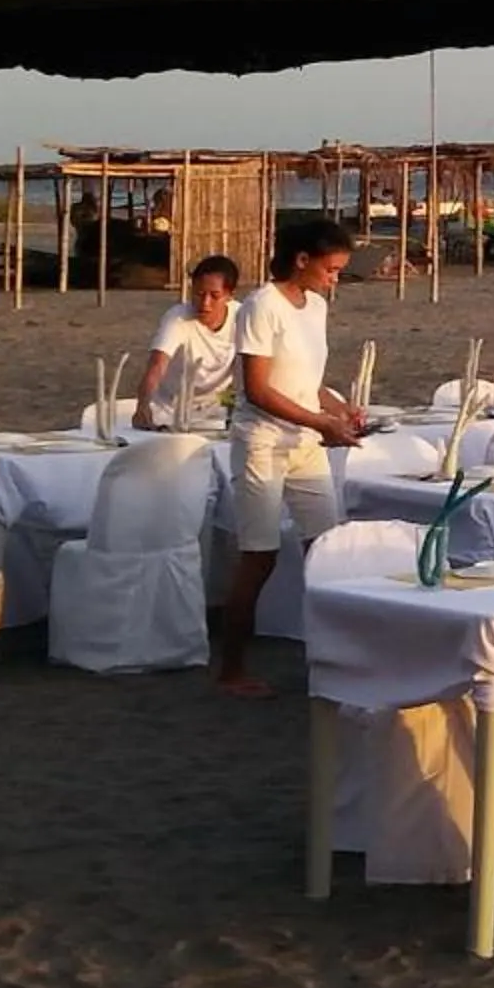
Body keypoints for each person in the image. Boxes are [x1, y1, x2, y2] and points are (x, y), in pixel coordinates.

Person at [215, 220, 364, 698]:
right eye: (331, 269)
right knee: (259, 555)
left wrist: (337, 409)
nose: (334, 279)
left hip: (304, 440)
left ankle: (335, 656)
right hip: (262, 440)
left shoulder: (315, 306)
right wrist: (322, 423)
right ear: (302, 260)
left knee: (325, 548)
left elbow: (303, 378)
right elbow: (258, 388)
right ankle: (231, 667)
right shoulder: (262, 305)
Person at [132, 255, 242, 430]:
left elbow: (242, 371)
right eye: (199, 294)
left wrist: (234, 407)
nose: (205, 303)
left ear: (229, 295)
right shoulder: (177, 318)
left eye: (214, 296)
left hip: (215, 414)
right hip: (169, 411)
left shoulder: (241, 317)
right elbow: (157, 365)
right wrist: (143, 407)